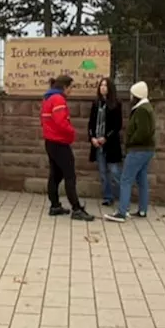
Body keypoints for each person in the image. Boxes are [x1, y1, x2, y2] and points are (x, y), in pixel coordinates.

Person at [41, 75, 94, 221]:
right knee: (70, 175)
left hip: (50, 142)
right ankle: (76, 208)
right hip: (60, 142)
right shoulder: (58, 99)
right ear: (65, 87)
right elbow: (61, 123)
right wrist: (72, 132)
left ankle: (55, 206)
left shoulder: (48, 98)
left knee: (55, 175)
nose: (72, 90)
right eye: (71, 87)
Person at [106, 81, 155, 223]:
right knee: (141, 179)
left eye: (132, 95)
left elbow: (143, 132)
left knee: (126, 179)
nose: (130, 97)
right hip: (146, 150)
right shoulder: (146, 108)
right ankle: (142, 209)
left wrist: (130, 141)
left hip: (138, 150)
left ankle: (122, 212)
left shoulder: (142, 110)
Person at [88, 77, 123, 206]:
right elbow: (91, 122)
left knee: (114, 172)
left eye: (105, 85)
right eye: (101, 85)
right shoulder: (96, 103)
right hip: (97, 142)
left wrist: (106, 138)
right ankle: (108, 196)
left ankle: (122, 197)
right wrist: (92, 137)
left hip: (110, 143)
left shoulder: (116, 104)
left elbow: (117, 125)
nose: (103, 88)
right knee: (103, 173)